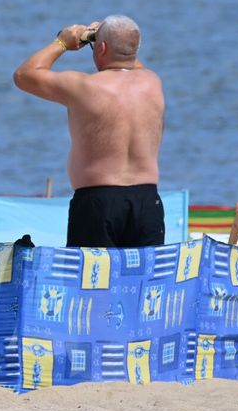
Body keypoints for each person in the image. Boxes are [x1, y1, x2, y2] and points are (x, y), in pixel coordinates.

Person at [13, 15, 165, 248]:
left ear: (101, 47)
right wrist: (113, 38)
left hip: (98, 203)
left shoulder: (84, 87)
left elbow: (24, 75)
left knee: (92, 284)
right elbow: (128, 57)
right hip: (147, 202)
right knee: (142, 282)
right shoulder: (153, 83)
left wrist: (63, 42)